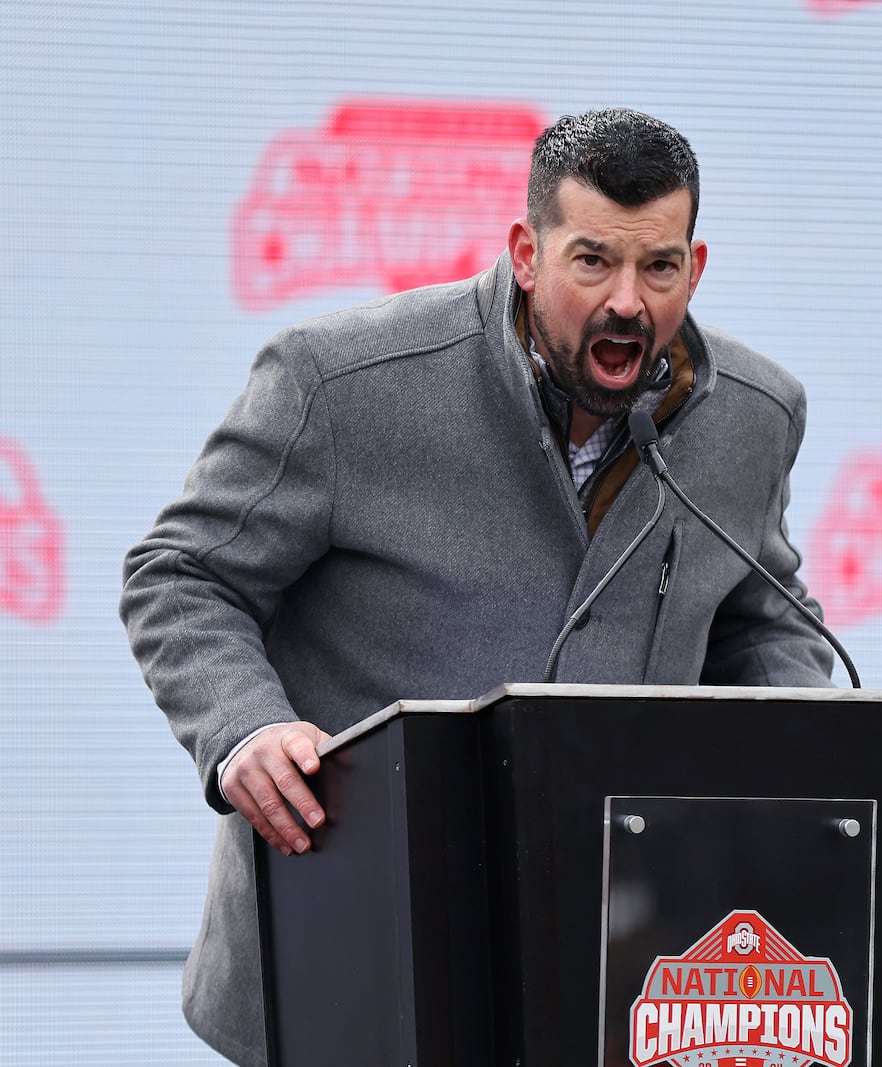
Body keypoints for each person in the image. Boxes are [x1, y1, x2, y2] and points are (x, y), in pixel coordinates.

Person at [120, 107, 834, 1067]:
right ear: (527, 253)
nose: (629, 301)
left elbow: (766, 626)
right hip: (354, 945)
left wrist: (797, 763)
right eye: (593, 262)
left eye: (658, 268)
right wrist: (244, 728)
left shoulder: (754, 414)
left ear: (694, 268)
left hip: (615, 965)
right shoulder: (339, 382)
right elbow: (181, 574)